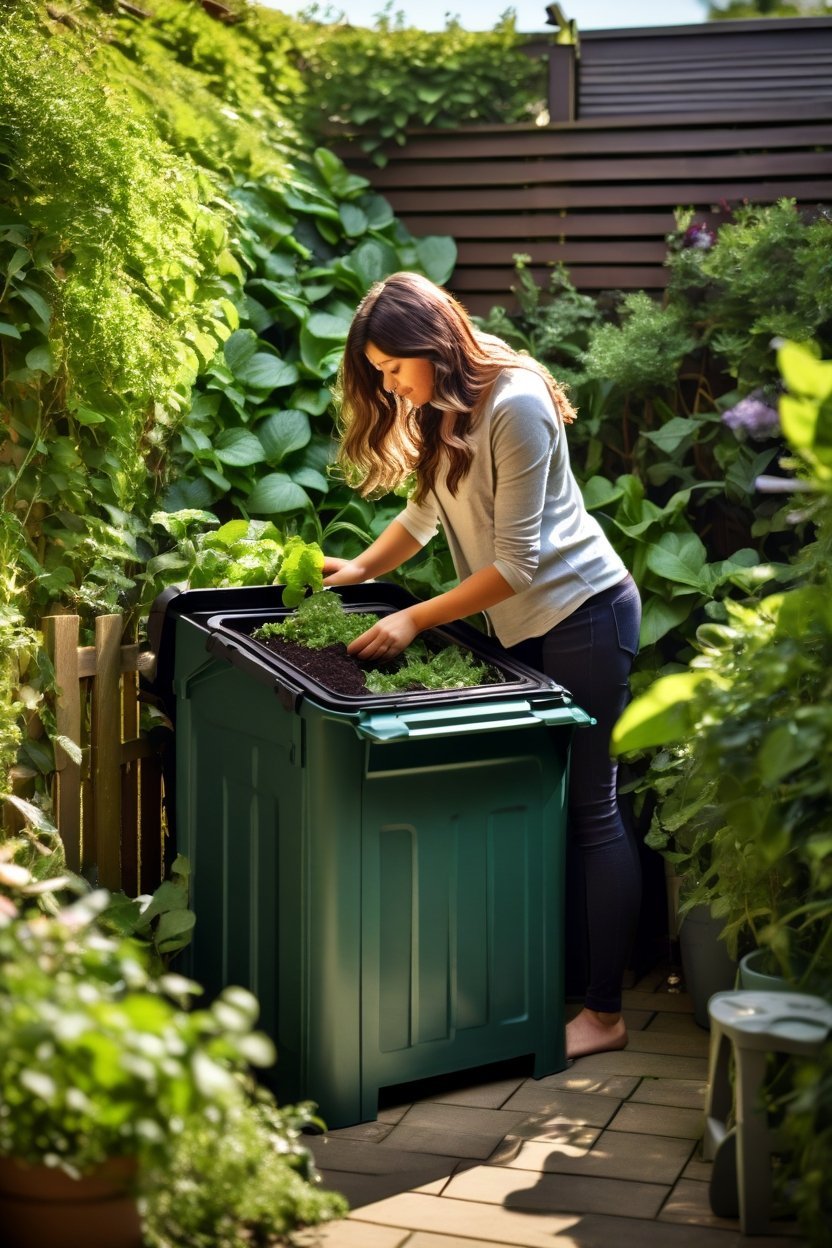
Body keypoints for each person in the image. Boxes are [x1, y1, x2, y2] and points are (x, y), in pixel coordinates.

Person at [323, 271, 642, 1060]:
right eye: (381, 375)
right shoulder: (442, 404)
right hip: (524, 625)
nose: (390, 387)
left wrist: (411, 617)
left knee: (591, 810)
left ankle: (604, 1013)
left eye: (394, 369)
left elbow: (520, 564)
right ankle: (549, 983)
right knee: (533, 805)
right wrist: (363, 573)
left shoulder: (517, 403)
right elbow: (426, 513)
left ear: (432, 345)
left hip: (585, 616)